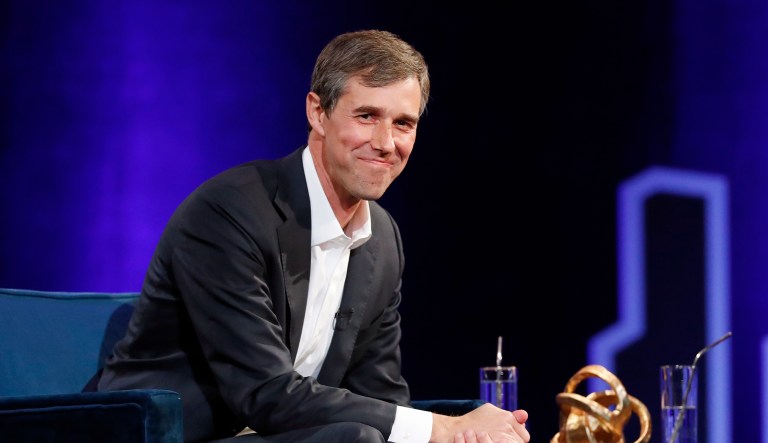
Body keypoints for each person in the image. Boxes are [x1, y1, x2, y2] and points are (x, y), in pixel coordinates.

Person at [94, 29, 531, 443]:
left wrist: (469, 432)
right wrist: (442, 427)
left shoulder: (382, 238)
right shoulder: (229, 212)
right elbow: (264, 392)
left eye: (403, 123)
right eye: (366, 116)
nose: (385, 142)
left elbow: (378, 397)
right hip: (174, 433)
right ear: (317, 112)